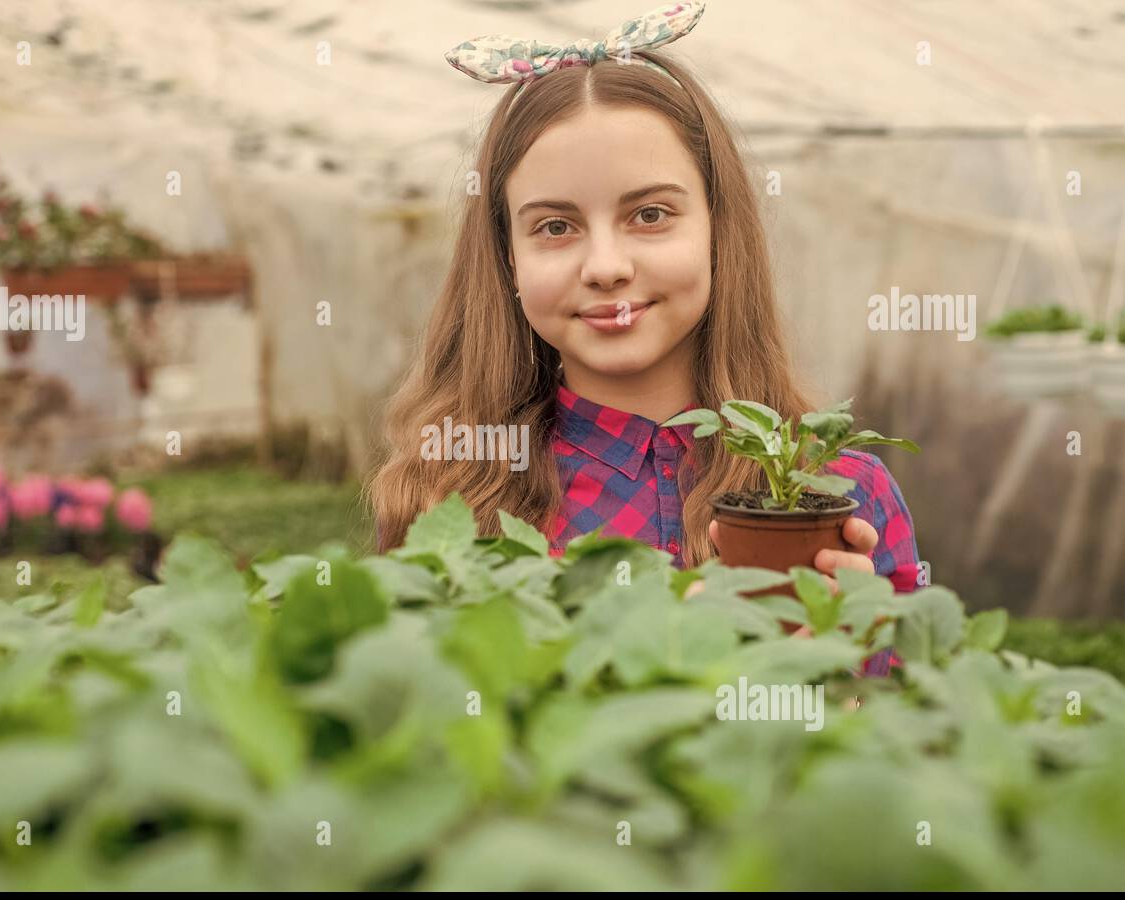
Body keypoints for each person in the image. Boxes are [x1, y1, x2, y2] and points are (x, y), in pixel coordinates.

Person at [368, 3, 918, 674]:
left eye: (650, 214)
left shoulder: (838, 492)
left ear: (719, 228)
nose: (605, 266)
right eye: (554, 227)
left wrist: (844, 671)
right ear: (506, 258)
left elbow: (910, 747)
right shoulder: (446, 493)